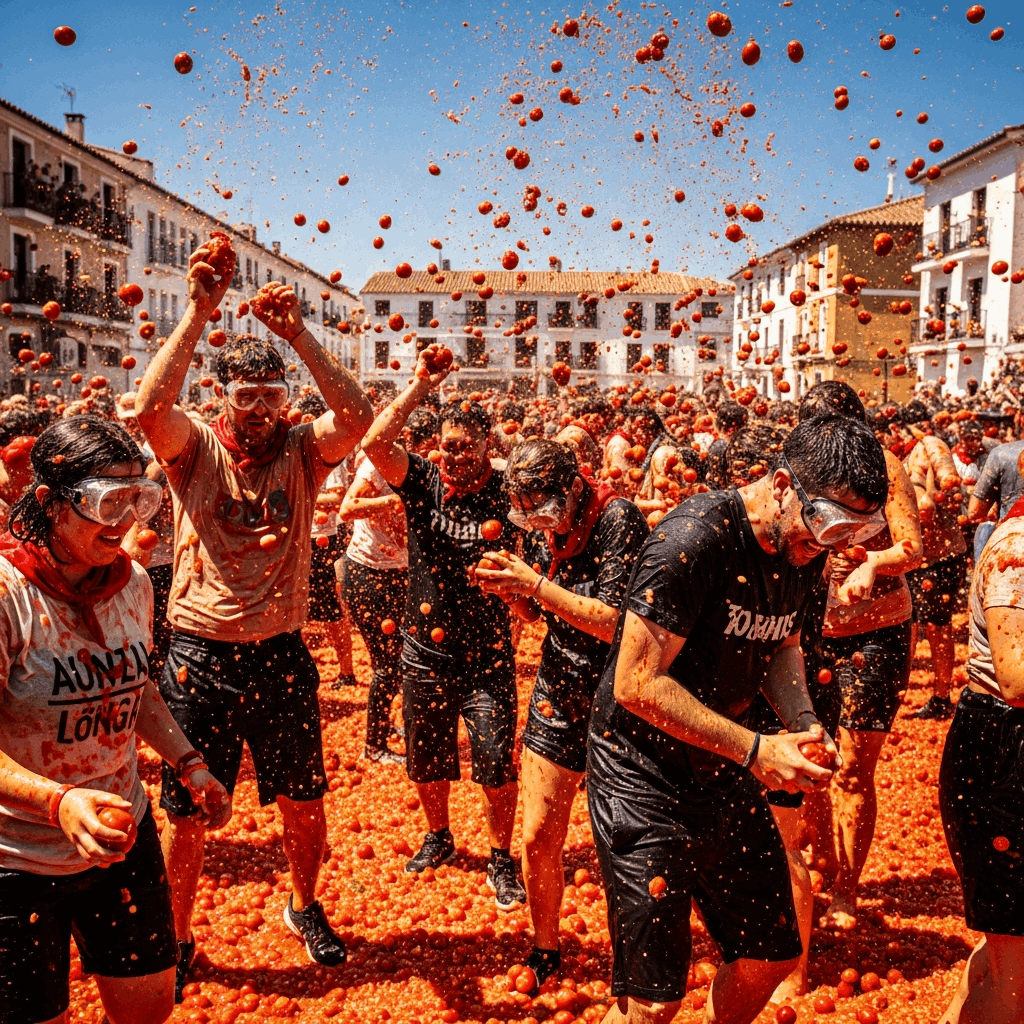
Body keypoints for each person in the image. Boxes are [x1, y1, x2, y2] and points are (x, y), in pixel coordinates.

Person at [587, 415, 889, 1024]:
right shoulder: (694, 537)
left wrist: (802, 720)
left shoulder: (803, 546)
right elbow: (636, 683)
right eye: (829, 523)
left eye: (857, 531)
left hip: (721, 762)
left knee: (772, 955)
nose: (832, 546)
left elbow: (781, 644)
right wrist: (755, 750)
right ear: (782, 484)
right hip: (639, 772)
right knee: (653, 1001)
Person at [135, 238, 372, 999]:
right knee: (190, 815)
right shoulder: (193, 449)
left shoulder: (303, 451)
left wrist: (300, 336)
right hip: (199, 655)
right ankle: (176, 937)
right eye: (248, 398)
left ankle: (304, 905)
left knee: (304, 802)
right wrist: (202, 308)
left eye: (274, 396)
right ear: (223, 398)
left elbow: (357, 415)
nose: (263, 412)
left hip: (279, 653)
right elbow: (148, 408)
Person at [0, 416, 230, 1024]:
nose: (128, 519)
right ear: (49, 502)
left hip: (122, 834)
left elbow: (138, 687)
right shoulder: (7, 596)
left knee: (148, 1011)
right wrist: (59, 803)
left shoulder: (132, 585)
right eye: (108, 501)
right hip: (15, 858)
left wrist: (189, 762)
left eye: (140, 498)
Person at [764, 382, 923, 1000]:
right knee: (810, 756)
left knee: (855, 768)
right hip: (810, 637)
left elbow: (913, 545)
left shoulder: (884, 467)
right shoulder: (797, 470)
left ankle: (846, 885)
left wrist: (871, 563)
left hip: (875, 633)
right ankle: (817, 866)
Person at [476, 439, 648, 988]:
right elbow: (537, 611)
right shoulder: (538, 520)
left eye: (543, 508)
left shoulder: (618, 518)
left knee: (623, 839)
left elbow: (619, 622)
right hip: (559, 681)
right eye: (522, 510)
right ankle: (545, 947)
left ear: (574, 488)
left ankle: (638, 952)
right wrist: (512, 593)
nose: (534, 520)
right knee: (537, 836)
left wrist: (537, 586)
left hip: (619, 692)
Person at [361, 345, 526, 910]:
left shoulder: (509, 493)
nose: (451, 456)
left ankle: (503, 858)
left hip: (488, 652)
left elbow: (541, 549)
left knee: (496, 757)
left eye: (464, 447)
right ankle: (440, 836)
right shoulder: (424, 481)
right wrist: (419, 387)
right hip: (423, 646)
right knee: (427, 753)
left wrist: (522, 590)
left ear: (487, 447)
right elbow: (374, 444)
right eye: (445, 447)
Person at [937, 492, 1024, 1024]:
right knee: (1017, 981)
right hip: (1004, 759)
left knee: (1007, 956)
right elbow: (1015, 678)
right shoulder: (1017, 553)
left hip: (1001, 750)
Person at [340, 408, 436, 763]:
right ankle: (374, 745)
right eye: (428, 444)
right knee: (386, 661)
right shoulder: (377, 466)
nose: (432, 451)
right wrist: (393, 501)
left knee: (407, 656)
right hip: (368, 572)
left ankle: (387, 725)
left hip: (401, 571)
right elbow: (347, 508)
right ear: (409, 441)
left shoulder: (424, 467)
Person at [898, 404, 968, 719]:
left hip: (938, 558)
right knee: (911, 624)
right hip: (925, 557)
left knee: (936, 627)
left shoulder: (928, 447)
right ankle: (899, 693)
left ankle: (940, 698)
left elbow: (928, 504)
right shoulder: (918, 450)